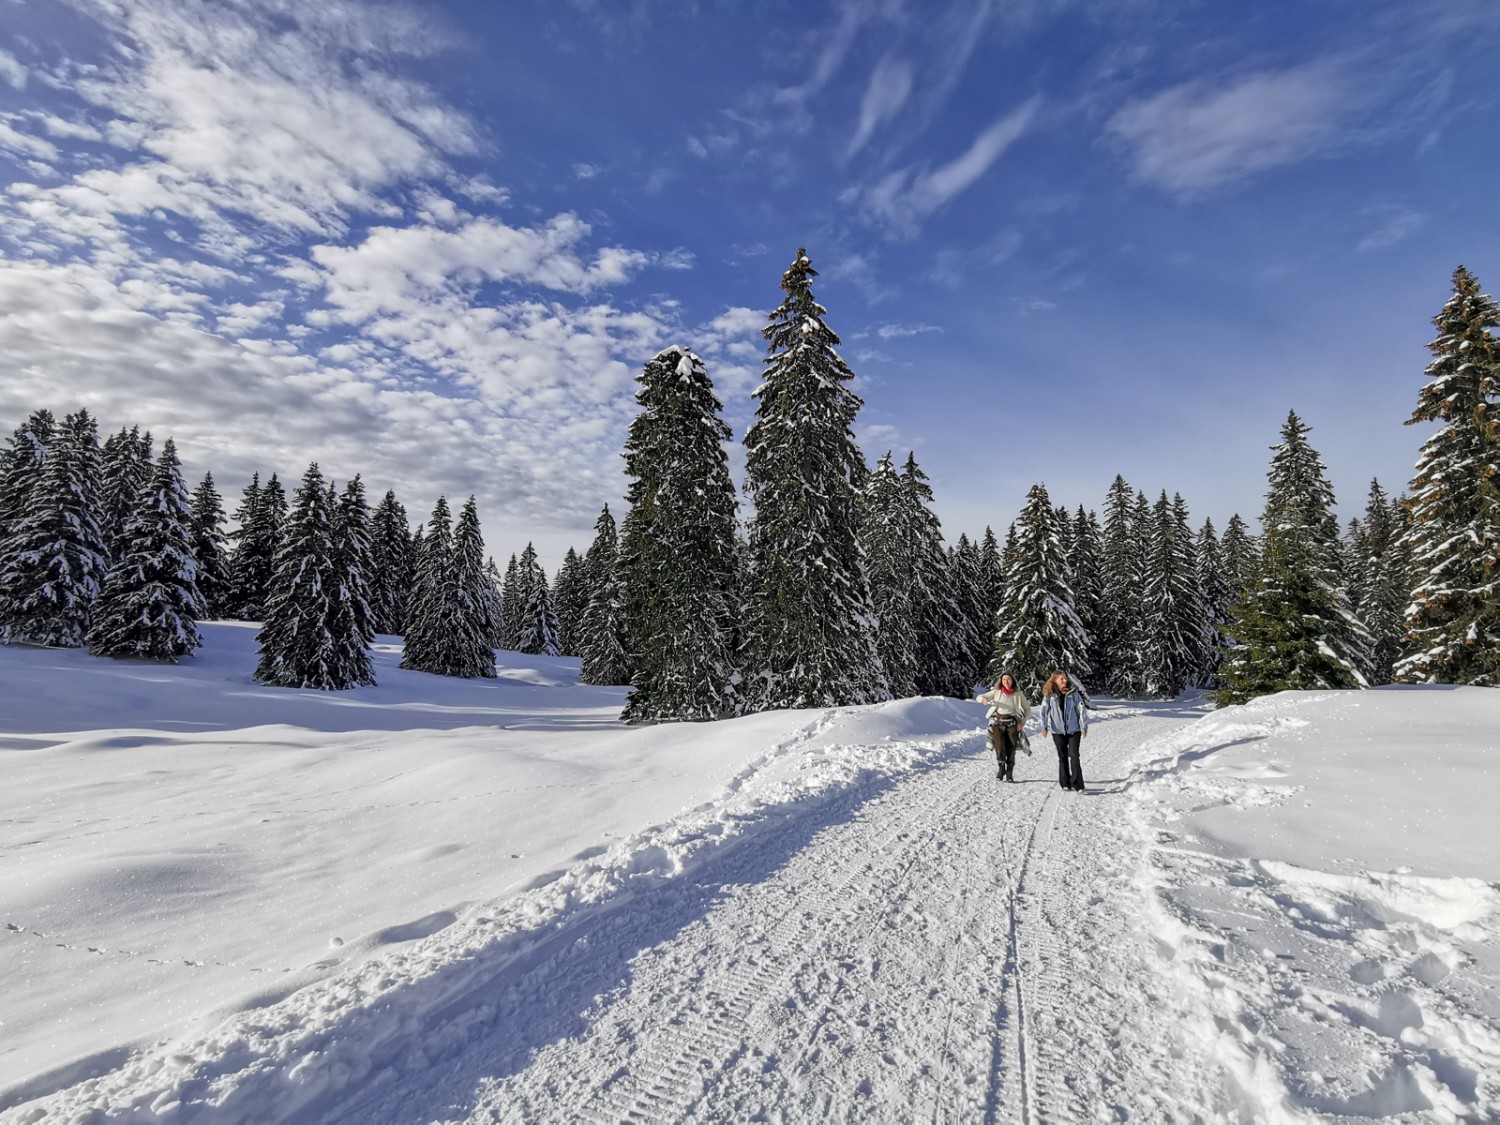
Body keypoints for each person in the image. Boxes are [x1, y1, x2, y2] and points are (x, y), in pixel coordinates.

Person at [976, 673, 1031, 781]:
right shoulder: (997, 692)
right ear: (1001, 681)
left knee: (1011, 748)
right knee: (999, 747)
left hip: (1012, 724)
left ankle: (1009, 772)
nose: (1006, 681)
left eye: (1008, 679)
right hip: (998, 723)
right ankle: (1001, 768)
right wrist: (983, 699)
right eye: (1004, 679)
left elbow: (1028, 710)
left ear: (1012, 681)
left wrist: (1022, 722)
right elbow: (980, 697)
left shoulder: (1018, 694)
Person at [1041, 670, 1088, 791]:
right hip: (1057, 731)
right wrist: (1044, 726)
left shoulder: (1073, 693)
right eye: (1061, 679)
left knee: (1074, 755)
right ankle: (1065, 783)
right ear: (1054, 680)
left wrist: (1083, 727)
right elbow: (1044, 711)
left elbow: (1081, 710)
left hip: (1074, 730)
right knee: (1062, 756)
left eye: (1065, 678)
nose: (1064, 680)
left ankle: (1077, 784)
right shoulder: (1049, 695)